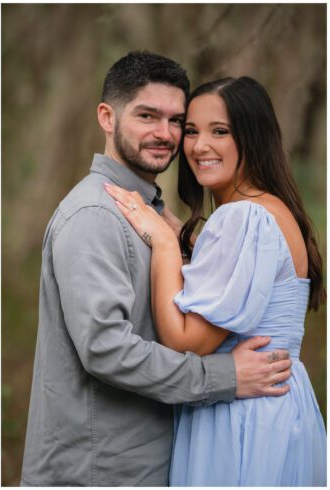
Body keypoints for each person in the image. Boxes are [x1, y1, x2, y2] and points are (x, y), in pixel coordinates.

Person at [21, 52, 294, 486]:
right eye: (147, 115)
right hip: (101, 470)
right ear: (107, 117)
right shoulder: (96, 214)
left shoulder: (150, 215)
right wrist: (222, 376)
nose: (164, 134)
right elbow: (106, 348)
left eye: (175, 121)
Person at [104, 76, 326, 486]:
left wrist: (165, 246)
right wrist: (186, 237)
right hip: (280, 408)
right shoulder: (270, 208)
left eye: (219, 131)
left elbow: (188, 341)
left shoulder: (242, 216)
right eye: (191, 131)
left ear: (252, 137)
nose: (199, 146)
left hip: (242, 415)